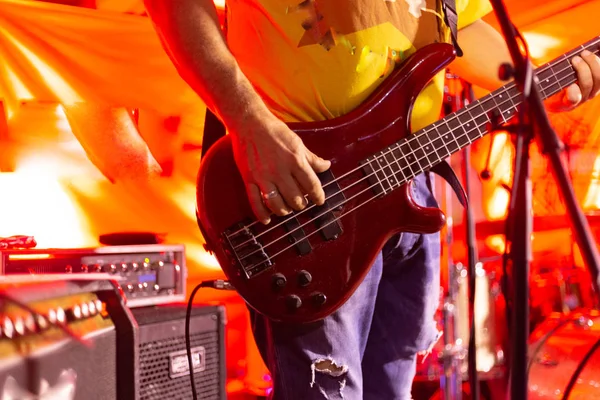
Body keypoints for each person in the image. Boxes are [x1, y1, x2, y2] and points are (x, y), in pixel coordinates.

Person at [143, 0, 600, 398]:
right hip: (309, 196)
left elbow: (455, 29)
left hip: (409, 181)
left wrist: (539, 84)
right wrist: (246, 121)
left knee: (394, 388)